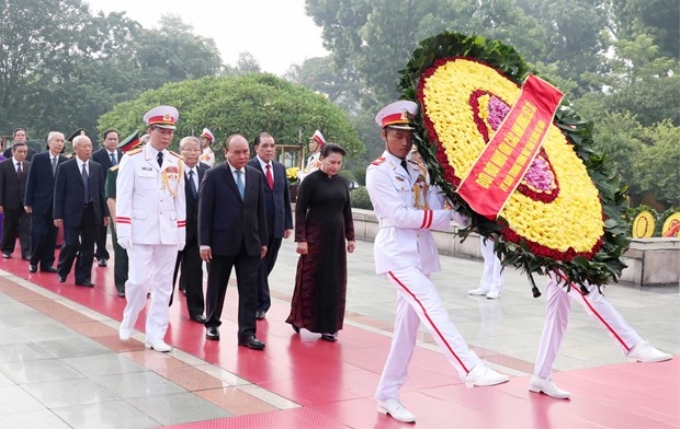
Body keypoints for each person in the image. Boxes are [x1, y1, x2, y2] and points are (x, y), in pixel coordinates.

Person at [366, 100, 509, 423]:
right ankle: (470, 367)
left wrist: (473, 214)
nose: (404, 141)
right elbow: (400, 216)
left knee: (407, 329)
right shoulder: (377, 172)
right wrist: (446, 216)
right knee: (431, 304)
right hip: (396, 254)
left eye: (409, 135)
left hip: (420, 254)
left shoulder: (418, 169)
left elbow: (435, 203)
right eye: (397, 135)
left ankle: (388, 393)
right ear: (385, 135)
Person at [530, 271, 672, 399]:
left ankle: (541, 375)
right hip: (554, 253)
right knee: (589, 293)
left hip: (563, 248)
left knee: (557, 314)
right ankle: (632, 345)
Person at [116, 106, 186, 353]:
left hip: (167, 231)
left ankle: (155, 334)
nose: (166, 137)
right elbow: (123, 196)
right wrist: (123, 230)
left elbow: (180, 200)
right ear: (150, 130)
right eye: (162, 131)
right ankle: (130, 316)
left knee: (164, 285)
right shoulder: (133, 159)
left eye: (170, 132)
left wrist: (181, 232)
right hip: (141, 230)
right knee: (138, 281)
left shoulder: (175, 161)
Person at [199, 134, 267, 350]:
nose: (242, 156)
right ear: (226, 152)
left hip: (249, 243)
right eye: (236, 152)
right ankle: (212, 323)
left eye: (245, 151)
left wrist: (263, 240)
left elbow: (260, 211)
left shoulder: (256, 176)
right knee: (217, 286)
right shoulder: (214, 175)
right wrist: (204, 242)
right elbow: (204, 211)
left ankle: (247, 333)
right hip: (220, 243)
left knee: (249, 289)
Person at [285, 143, 355, 342]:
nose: (335, 166)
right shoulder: (310, 181)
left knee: (334, 282)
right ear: (321, 159)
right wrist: (301, 239)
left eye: (339, 163)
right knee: (310, 279)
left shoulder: (342, 183)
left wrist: (350, 237)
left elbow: (346, 210)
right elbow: (299, 211)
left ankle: (329, 326)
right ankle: (300, 319)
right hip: (314, 239)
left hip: (336, 241)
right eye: (331, 162)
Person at [247, 132, 293, 320]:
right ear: (256, 147)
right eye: (265, 146)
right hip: (258, 227)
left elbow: (284, 197)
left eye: (272, 146)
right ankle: (262, 303)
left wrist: (288, 223)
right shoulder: (249, 167)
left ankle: (254, 295)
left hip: (277, 226)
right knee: (258, 265)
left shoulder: (280, 168)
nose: (269, 149)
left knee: (267, 265)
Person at [53, 135, 109, 286]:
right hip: (72, 212)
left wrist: (105, 213)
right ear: (76, 148)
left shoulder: (96, 167)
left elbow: (100, 193)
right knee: (71, 243)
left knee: (88, 247)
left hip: (91, 211)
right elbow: (59, 193)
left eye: (90, 145)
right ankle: (62, 270)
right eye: (85, 146)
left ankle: (83, 277)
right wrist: (57, 214)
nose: (89, 149)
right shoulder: (65, 167)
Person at [171, 136, 208, 322]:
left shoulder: (207, 172)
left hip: (197, 234)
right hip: (175, 232)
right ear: (180, 151)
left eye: (196, 150)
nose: (193, 153)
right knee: (169, 271)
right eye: (188, 149)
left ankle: (196, 310)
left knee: (195, 272)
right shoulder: (171, 172)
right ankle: (163, 306)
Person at [106, 132, 147, 298]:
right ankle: (122, 284)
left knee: (141, 254)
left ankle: (140, 285)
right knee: (122, 254)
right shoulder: (115, 171)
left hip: (141, 218)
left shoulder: (144, 169)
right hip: (123, 218)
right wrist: (117, 221)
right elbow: (111, 199)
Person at [24, 131, 68, 273]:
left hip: (57, 206)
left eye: (62, 141)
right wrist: (28, 202)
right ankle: (34, 260)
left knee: (52, 235)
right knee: (39, 233)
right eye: (57, 140)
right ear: (49, 143)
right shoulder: (38, 158)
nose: (60, 144)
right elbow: (31, 181)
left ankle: (47, 263)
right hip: (39, 203)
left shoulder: (64, 161)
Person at [91, 129, 122, 267]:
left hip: (120, 195)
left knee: (119, 224)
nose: (113, 141)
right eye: (110, 139)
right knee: (102, 225)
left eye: (115, 139)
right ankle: (102, 254)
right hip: (103, 194)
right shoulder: (97, 156)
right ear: (104, 141)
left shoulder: (123, 155)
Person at [0, 142, 31, 259]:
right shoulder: (3, 166)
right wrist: (0, 202)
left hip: (25, 202)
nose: (22, 154)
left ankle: (27, 252)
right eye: (20, 151)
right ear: (13, 152)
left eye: (25, 152)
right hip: (9, 201)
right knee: (9, 226)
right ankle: (7, 249)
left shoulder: (29, 165)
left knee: (26, 228)